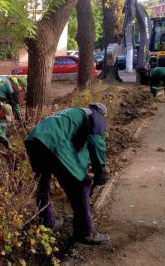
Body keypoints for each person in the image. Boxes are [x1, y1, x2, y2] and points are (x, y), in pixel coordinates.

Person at [24, 103, 110, 245]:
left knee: (43, 184)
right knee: (81, 183)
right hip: (54, 143)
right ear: (102, 113)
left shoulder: (73, 113)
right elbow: (96, 141)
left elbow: (76, 146)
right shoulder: (95, 115)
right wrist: (100, 169)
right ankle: (86, 232)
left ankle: (47, 223)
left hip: (34, 141)